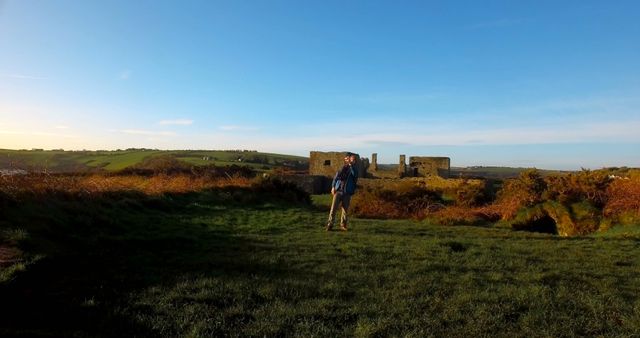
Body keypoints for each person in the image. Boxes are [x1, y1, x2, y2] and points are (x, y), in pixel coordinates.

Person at [326, 152, 358, 231]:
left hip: (347, 193)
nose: (351, 161)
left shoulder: (354, 169)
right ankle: (330, 224)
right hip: (338, 191)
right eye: (351, 159)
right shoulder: (342, 168)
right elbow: (335, 178)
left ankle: (343, 225)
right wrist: (333, 187)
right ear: (347, 159)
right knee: (333, 208)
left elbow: (355, 175)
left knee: (344, 211)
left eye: (353, 160)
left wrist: (351, 166)